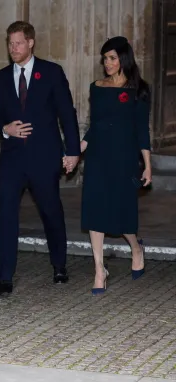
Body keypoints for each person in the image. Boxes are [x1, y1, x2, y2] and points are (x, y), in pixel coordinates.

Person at [0, 21, 81, 296]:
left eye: (18, 43)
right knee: (6, 215)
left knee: (51, 211)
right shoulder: (0, 77)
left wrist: (73, 151)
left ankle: (59, 265)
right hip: (12, 159)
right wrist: (6, 129)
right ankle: (3, 278)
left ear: (30, 42)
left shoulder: (51, 72)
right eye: (10, 43)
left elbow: (67, 113)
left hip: (44, 157)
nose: (13, 48)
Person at [75, 36, 152, 295]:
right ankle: (99, 270)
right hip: (98, 156)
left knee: (122, 214)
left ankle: (136, 248)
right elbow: (95, 126)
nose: (107, 63)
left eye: (112, 58)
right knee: (95, 209)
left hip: (124, 157)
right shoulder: (97, 87)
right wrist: (77, 149)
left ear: (123, 59)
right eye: (105, 59)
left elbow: (142, 130)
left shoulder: (139, 89)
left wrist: (147, 165)